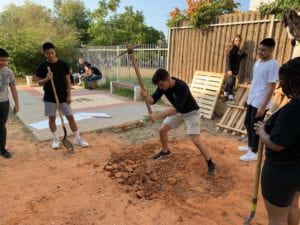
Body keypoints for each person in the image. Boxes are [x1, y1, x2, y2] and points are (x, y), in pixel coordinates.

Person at [140, 69, 216, 175]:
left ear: (168, 79)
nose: (160, 87)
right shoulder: (163, 86)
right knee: (162, 130)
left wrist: (157, 116)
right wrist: (146, 95)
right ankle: (165, 151)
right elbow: (152, 101)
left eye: (161, 85)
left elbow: (175, 110)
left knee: (196, 141)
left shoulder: (182, 87)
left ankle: (210, 163)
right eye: (159, 86)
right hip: (179, 112)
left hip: (191, 113)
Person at [254, 57, 300, 225]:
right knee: (293, 206)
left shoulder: (294, 108)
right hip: (296, 170)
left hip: (282, 173)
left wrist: (261, 131)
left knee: (277, 219)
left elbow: (276, 144)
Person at [36, 42, 89, 149]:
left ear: (55, 51)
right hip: (50, 98)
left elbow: (68, 81)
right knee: (52, 119)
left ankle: (78, 138)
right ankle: (55, 139)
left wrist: (69, 95)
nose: (50, 55)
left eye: (52, 53)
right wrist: (47, 78)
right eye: (47, 53)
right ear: (44, 54)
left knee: (70, 118)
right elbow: (39, 83)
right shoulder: (42, 66)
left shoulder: (62, 64)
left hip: (63, 96)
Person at [239, 38, 279, 161]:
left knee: (255, 126)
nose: (260, 52)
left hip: (261, 101)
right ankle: (250, 145)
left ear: (271, 50)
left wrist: (263, 106)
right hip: (252, 99)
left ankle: (255, 152)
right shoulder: (257, 63)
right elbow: (254, 82)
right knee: (247, 123)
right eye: (259, 49)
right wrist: (246, 97)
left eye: (263, 50)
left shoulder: (273, 65)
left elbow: (272, 87)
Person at [0, 48, 19, 158]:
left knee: (2, 126)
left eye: (5, 60)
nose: (4, 63)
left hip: (4, 103)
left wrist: (17, 104)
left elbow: (13, 88)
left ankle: (2, 149)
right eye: (2, 60)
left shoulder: (8, 71)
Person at [224, 34, 247, 101]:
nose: (238, 42)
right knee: (231, 82)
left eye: (239, 41)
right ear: (233, 41)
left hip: (234, 69)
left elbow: (238, 58)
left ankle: (225, 95)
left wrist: (244, 54)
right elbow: (229, 59)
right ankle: (230, 97)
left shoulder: (237, 49)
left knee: (229, 82)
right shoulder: (233, 48)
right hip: (230, 69)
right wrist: (229, 69)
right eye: (236, 40)